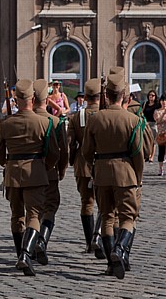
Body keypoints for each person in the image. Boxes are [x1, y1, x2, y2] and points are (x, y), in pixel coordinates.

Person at [0, 79, 59, 276]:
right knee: (34, 215)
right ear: (32, 98)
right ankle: (26, 255)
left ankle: (20, 253)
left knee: (17, 215)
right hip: (36, 173)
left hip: (13, 174)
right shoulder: (44, 122)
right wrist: (43, 167)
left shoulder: (6, 123)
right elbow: (54, 153)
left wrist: (8, 164)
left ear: (16, 99)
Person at [81, 73, 146, 280]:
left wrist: (95, 166)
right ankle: (120, 248)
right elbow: (138, 153)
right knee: (128, 217)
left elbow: (86, 151)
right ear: (125, 97)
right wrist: (138, 176)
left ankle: (111, 263)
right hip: (126, 173)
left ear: (106, 95)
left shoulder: (95, 119)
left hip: (101, 173)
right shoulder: (133, 120)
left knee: (107, 217)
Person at [31, 79, 69, 266]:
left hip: (28, 174)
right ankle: (41, 241)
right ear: (47, 100)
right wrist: (59, 170)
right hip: (50, 172)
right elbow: (62, 151)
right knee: (50, 208)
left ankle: (26, 250)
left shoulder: (22, 119)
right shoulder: (55, 122)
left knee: (31, 212)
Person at [67, 78, 102, 255]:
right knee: (107, 206)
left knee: (86, 203)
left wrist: (72, 160)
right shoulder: (105, 114)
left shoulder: (77, 116)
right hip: (103, 164)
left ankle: (90, 242)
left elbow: (71, 143)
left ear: (85, 97)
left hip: (83, 165)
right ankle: (100, 238)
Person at [142, 90, 158, 162]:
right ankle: (147, 155)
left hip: (154, 124)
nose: (151, 97)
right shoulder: (145, 104)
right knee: (146, 140)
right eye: (150, 95)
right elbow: (142, 112)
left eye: (153, 95)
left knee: (153, 141)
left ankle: (152, 156)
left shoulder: (157, 105)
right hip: (146, 123)